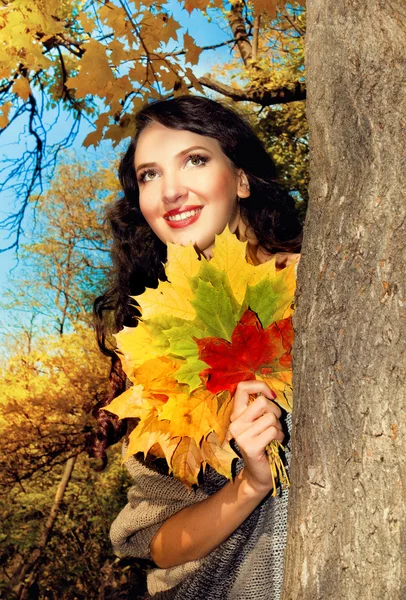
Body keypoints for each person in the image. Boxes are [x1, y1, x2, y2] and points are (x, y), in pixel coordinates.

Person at [92, 95, 302, 600]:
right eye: (148, 175)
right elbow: (159, 543)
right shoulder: (152, 350)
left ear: (242, 178)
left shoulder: (334, 282)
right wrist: (250, 483)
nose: (169, 190)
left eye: (195, 159)